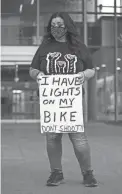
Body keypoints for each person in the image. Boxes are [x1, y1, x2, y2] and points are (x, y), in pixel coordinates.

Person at [29, 12, 98, 187]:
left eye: (59, 25)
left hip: (72, 101)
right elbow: (32, 69)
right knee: (52, 137)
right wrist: (39, 75)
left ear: (67, 26)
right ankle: (56, 173)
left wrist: (83, 75)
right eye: (53, 25)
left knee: (79, 139)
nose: (56, 28)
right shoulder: (45, 46)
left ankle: (88, 173)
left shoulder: (79, 47)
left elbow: (91, 69)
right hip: (51, 101)